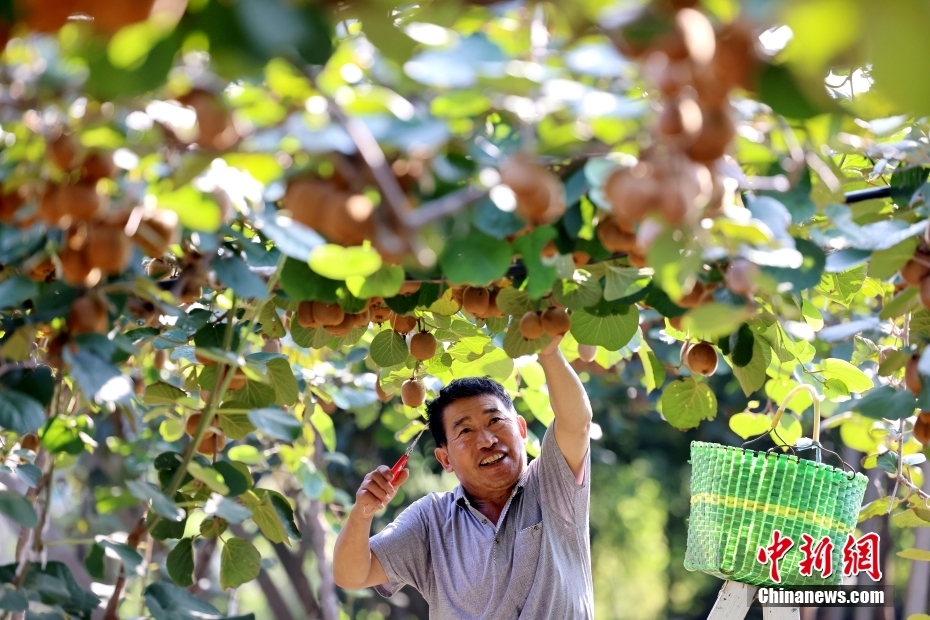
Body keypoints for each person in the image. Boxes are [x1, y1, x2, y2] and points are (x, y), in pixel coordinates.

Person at [332, 338, 594, 619]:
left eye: (495, 421)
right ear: (445, 460)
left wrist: (549, 351)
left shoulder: (552, 484)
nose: (487, 440)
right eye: (465, 432)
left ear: (520, 429)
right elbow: (351, 576)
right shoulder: (430, 520)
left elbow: (576, 422)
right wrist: (362, 514)